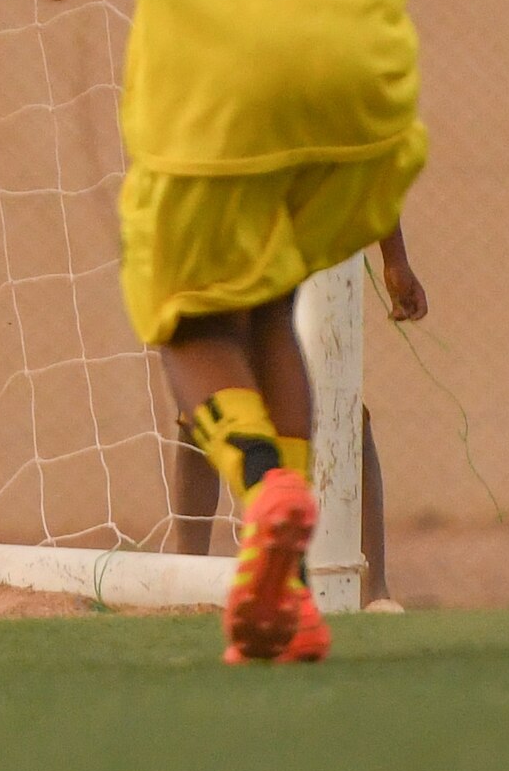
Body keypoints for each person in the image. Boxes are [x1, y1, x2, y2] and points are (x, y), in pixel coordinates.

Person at [22, 0, 439, 662]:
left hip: (221, 65)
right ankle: (284, 597)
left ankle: (264, 492)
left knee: (182, 315)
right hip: (358, 69)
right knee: (270, 307)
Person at [169, 224, 429, 610]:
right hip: (226, 234)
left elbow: (362, 167)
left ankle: (373, 590)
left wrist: (395, 258)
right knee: (205, 409)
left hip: (304, 244)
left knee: (341, 404)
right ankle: (188, 574)